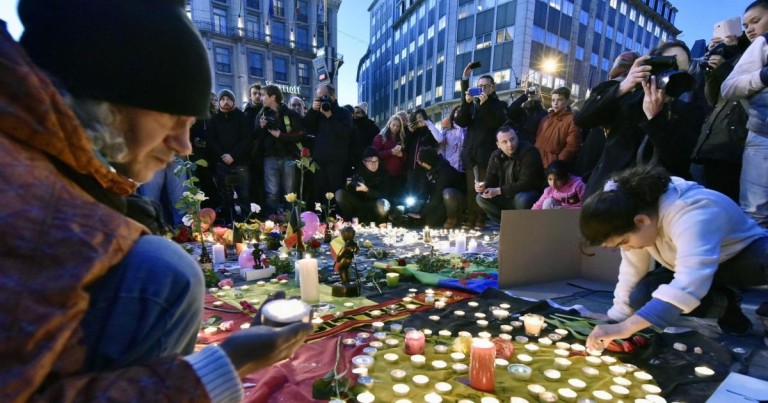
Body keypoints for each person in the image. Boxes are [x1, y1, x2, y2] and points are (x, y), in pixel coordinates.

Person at [0, 1, 312, 401]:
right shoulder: (26, 203)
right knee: (165, 271)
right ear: (108, 102)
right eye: (172, 119)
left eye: (190, 126)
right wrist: (223, 366)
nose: (183, 146)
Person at [580, 166, 768, 352]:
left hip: (744, 259)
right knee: (642, 295)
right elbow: (632, 271)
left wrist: (626, 327)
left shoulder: (691, 211)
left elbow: (690, 281)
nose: (626, 248)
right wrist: (617, 318)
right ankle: (726, 307)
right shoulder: (639, 215)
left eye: (624, 242)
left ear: (641, 221)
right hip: (695, 270)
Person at [721, 0, 768, 227]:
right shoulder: (763, 44)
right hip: (763, 137)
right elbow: (728, 87)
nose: (749, 29)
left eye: (755, 21)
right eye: (746, 25)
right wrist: (763, 76)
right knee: (755, 215)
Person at [455, 63, 509, 229]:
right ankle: (470, 217)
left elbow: (496, 123)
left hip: (486, 153)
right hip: (470, 153)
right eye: (480, 86)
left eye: (486, 86)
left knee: (484, 186)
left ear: (493, 87)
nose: (482, 89)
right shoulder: (473, 105)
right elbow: (461, 121)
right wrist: (466, 103)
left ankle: (480, 217)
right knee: (471, 188)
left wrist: (485, 106)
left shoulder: (499, 105)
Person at [475, 126, 546, 223]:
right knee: (481, 198)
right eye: (504, 142)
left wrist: (498, 191)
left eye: (512, 139)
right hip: (506, 194)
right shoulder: (496, 155)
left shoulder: (529, 152)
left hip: (529, 193)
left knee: (521, 199)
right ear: (498, 145)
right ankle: (507, 223)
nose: (510, 144)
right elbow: (491, 178)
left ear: (517, 138)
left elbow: (527, 183)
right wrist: (484, 185)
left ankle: (525, 224)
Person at [256, 85, 305, 215]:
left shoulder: (290, 113)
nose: (261, 98)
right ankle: (272, 220)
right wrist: (261, 127)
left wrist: (281, 135)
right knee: (271, 193)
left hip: (288, 157)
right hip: (269, 158)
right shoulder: (261, 114)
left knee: (290, 193)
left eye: (263, 95)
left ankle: (290, 220)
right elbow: (256, 136)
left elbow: (300, 134)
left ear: (273, 97)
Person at [305, 84, 353, 204]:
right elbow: (307, 127)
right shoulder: (317, 113)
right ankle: (321, 214)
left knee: (335, 190)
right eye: (319, 97)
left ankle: (336, 215)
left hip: (336, 160)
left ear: (333, 96)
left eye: (325, 96)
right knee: (320, 191)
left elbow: (345, 133)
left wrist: (330, 117)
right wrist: (312, 110)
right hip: (319, 159)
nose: (322, 99)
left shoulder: (344, 113)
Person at [208, 88, 253, 216]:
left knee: (244, 195)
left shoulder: (242, 117)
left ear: (233, 101)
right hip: (221, 163)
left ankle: (246, 221)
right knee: (225, 197)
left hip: (240, 163)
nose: (225, 102)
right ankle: (228, 221)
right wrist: (223, 155)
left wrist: (233, 155)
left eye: (228, 99)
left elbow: (246, 139)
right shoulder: (214, 119)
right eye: (222, 99)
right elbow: (211, 140)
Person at [407, 147, 466, 228]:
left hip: (455, 199)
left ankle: (453, 217)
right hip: (440, 199)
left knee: (447, 193)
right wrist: (418, 203)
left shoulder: (445, 171)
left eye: (418, 159)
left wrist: (422, 214)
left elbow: (438, 194)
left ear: (425, 163)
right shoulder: (427, 170)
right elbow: (425, 190)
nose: (417, 161)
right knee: (429, 221)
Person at [335, 147, 393, 224]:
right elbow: (349, 191)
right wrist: (349, 186)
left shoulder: (384, 173)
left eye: (376, 161)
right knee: (339, 194)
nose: (373, 164)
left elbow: (385, 194)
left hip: (375, 204)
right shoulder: (358, 172)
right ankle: (349, 220)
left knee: (383, 203)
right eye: (370, 161)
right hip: (359, 203)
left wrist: (367, 190)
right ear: (364, 162)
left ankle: (380, 223)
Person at [533, 86, 581, 169]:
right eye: (553, 100)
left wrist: (557, 163)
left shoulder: (571, 120)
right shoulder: (545, 118)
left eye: (559, 100)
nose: (555, 103)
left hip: (551, 167)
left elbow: (572, 146)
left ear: (567, 101)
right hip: (535, 163)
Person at [404, 109, 439, 206]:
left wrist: (428, 126)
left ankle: (421, 210)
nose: (419, 120)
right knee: (410, 190)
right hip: (411, 166)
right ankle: (410, 210)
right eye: (417, 118)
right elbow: (405, 146)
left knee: (422, 191)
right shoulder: (412, 131)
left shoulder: (429, 130)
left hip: (424, 167)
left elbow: (437, 141)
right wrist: (410, 132)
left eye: (421, 117)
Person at [373, 114, 407, 199]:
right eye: (393, 125)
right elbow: (374, 154)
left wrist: (402, 155)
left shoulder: (401, 139)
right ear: (389, 124)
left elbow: (406, 157)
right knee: (385, 198)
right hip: (384, 175)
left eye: (398, 126)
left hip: (398, 175)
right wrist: (390, 152)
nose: (395, 128)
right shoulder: (381, 138)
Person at [244, 83, 266, 211]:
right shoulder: (246, 113)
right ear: (250, 95)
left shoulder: (267, 110)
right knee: (254, 185)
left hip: (267, 152)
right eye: (254, 93)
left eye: (260, 94)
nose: (257, 96)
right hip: (252, 154)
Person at [348, 102, 380, 176]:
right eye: (354, 112)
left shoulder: (373, 127)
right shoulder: (350, 125)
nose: (355, 115)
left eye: (358, 113)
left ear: (364, 113)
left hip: (367, 160)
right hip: (352, 159)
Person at [435, 105, 466, 173]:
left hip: (464, 168)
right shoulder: (446, 131)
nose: (459, 113)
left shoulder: (468, 130)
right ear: (453, 114)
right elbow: (441, 147)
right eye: (457, 111)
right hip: (449, 168)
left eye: (462, 111)